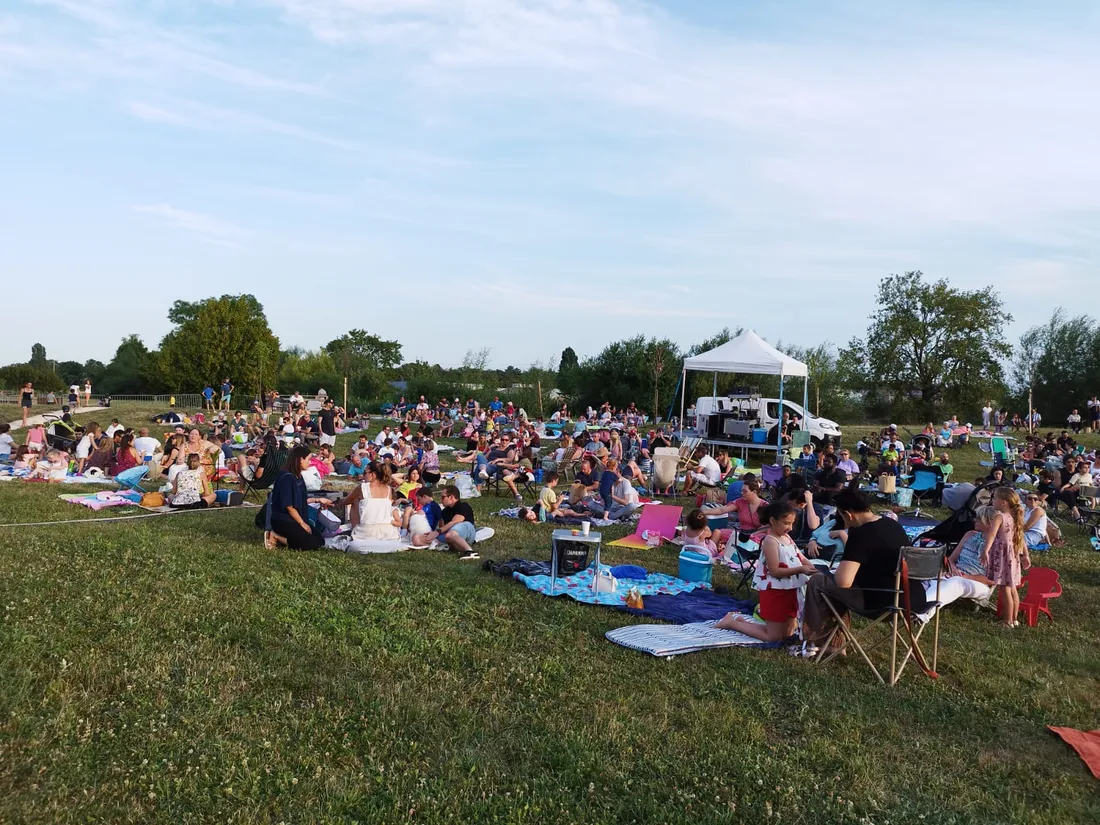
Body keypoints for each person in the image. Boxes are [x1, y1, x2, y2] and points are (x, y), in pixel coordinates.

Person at [717, 500, 815, 642]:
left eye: (792, 523)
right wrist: (801, 569)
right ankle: (732, 623)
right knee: (773, 637)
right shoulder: (770, 541)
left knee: (787, 634)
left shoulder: (786, 537)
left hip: (790, 589)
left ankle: (741, 622)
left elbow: (800, 556)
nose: (790, 527)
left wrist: (812, 567)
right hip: (775, 590)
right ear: (773, 521)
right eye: (786, 523)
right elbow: (774, 571)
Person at [980, 487, 1030, 628]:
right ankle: (1014, 619)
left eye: (995, 498)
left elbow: (991, 534)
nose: (993, 501)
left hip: (1002, 556)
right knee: (1012, 587)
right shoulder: (1015, 518)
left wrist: (985, 550)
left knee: (1004, 589)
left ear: (1003, 502)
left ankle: (1007, 621)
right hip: (1012, 556)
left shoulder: (999, 517)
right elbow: (1021, 539)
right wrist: (1025, 555)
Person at [264, 445, 328, 550]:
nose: (310, 462)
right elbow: (288, 506)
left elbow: (301, 500)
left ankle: (288, 540)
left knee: (319, 540)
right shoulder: (287, 477)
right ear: (300, 459)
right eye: (308, 459)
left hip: (295, 517)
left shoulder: (299, 476)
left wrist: (318, 500)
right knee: (309, 544)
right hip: (284, 519)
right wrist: (302, 523)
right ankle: (275, 536)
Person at [427, 485, 479, 559]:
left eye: (443, 497)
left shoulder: (463, 506)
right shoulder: (445, 512)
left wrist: (437, 532)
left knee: (449, 534)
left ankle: (470, 552)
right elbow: (443, 527)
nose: (441, 500)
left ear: (451, 497)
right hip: (451, 535)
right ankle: (450, 546)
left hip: (467, 530)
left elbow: (455, 521)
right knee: (423, 538)